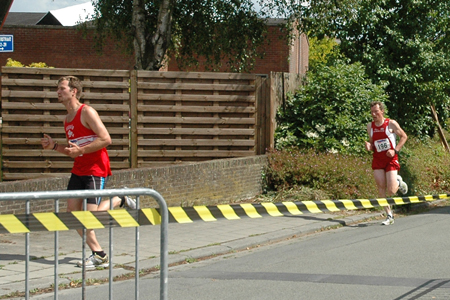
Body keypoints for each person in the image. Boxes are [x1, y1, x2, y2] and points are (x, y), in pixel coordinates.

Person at [41, 76, 136, 268]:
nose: (58, 92)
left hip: (95, 170)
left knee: (91, 219)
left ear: (73, 91)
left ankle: (119, 199)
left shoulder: (87, 112)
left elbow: (106, 139)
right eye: (57, 89)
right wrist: (54, 146)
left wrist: (81, 150)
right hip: (78, 170)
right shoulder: (66, 120)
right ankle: (99, 254)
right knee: (71, 215)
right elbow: (73, 151)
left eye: (62, 88)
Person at [364, 101, 408, 225]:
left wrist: (395, 150)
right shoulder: (370, 126)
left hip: (390, 160)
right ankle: (389, 215)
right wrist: (369, 146)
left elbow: (404, 136)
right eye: (372, 112)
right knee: (380, 187)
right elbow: (373, 144)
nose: (373, 114)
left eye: (376, 111)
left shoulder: (391, 124)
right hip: (378, 159)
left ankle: (398, 182)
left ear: (382, 111)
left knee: (392, 191)